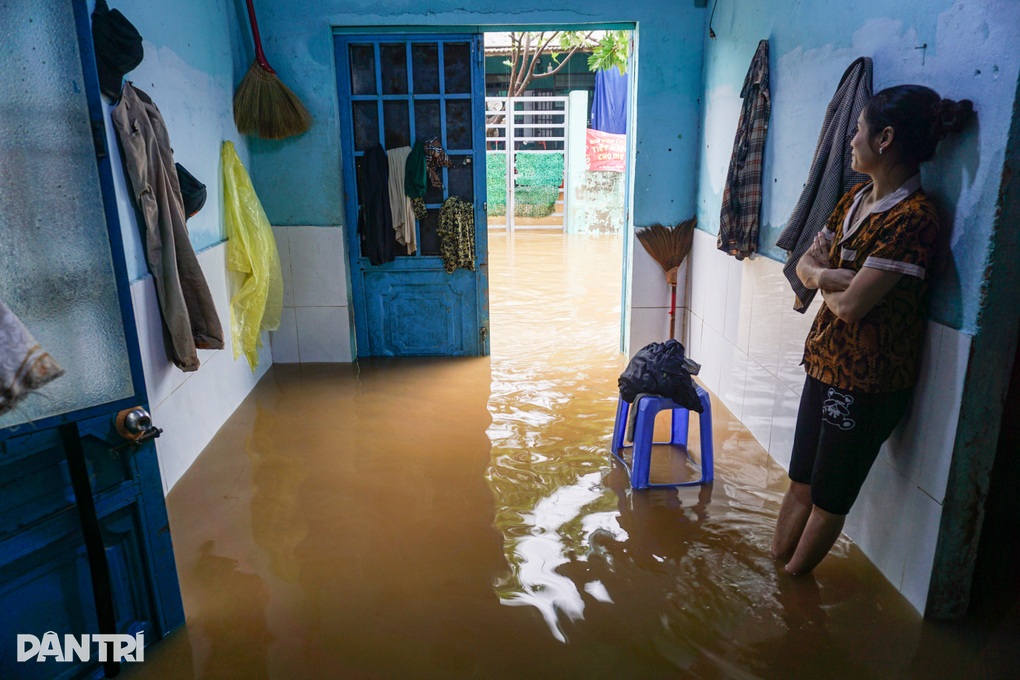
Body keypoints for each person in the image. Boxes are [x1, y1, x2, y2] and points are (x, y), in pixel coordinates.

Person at [771, 85, 973, 575]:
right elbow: (805, 266)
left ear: (884, 139)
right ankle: (774, 573)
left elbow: (851, 308)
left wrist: (826, 281)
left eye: (857, 131)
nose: (851, 141)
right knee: (799, 482)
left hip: (866, 383)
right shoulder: (855, 199)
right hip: (823, 365)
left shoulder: (914, 220)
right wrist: (823, 276)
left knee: (829, 499)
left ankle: (791, 592)